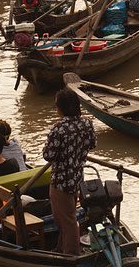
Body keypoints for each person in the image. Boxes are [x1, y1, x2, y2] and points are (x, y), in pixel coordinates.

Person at [42, 88, 96, 255]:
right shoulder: (87, 124)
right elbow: (92, 144)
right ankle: (60, 248)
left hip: (61, 181)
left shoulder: (59, 129)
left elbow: (48, 155)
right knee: (64, 217)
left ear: (61, 108)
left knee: (67, 220)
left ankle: (71, 255)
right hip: (77, 177)